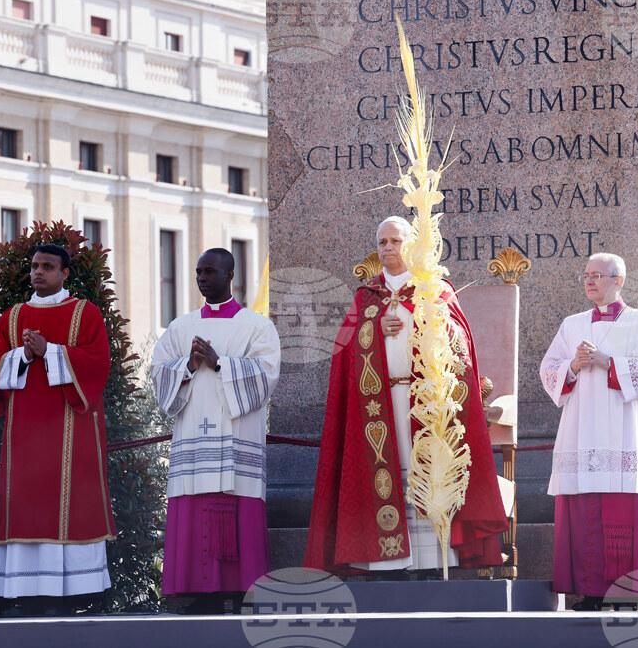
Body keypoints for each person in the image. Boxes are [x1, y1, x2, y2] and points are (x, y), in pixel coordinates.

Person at [305, 216, 508, 577]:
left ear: (411, 244)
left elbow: (459, 347)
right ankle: (390, 562)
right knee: (389, 476)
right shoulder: (366, 296)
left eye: (394, 241)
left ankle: (432, 562)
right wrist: (372, 327)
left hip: (424, 404)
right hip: (379, 407)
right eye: (382, 242)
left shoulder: (435, 290)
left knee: (427, 476)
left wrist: (433, 325)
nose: (387, 249)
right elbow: (343, 354)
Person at [0, 244, 114, 615]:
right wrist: (22, 355)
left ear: (65, 273)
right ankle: (22, 591)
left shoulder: (85, 314)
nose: (38, 272)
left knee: (68, 503)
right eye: (35, 266)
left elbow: (98, 363)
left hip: (71, 431)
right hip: (23, 436)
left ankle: (72, 592)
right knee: (24, 504)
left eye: (48, 267)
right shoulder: (12, 316)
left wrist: (50, 351)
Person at [539, 253, 638, 610]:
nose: (590, 281)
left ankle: (630, 595)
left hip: (626, 434)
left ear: (619, 280)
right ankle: (591, 592)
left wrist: (607, 363)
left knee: (625, 515)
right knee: (586, 515)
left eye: (598, 275)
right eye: (586, 275)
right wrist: (572, 366)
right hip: (582, 433)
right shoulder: (572, 324)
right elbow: (549, 369)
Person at [151, 248, 280, 614]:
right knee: (194, 508)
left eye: (209, 271)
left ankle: (240, 592)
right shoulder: (180, 327)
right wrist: (188, 366)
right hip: (193, 435)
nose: (201, 278)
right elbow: (159, 373)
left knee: (238, 507)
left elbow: (267, 375)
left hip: (237, 436)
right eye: (197, 272)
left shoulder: (257, 326)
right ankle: (199, 593)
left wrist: (219, 363)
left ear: (230, 275)